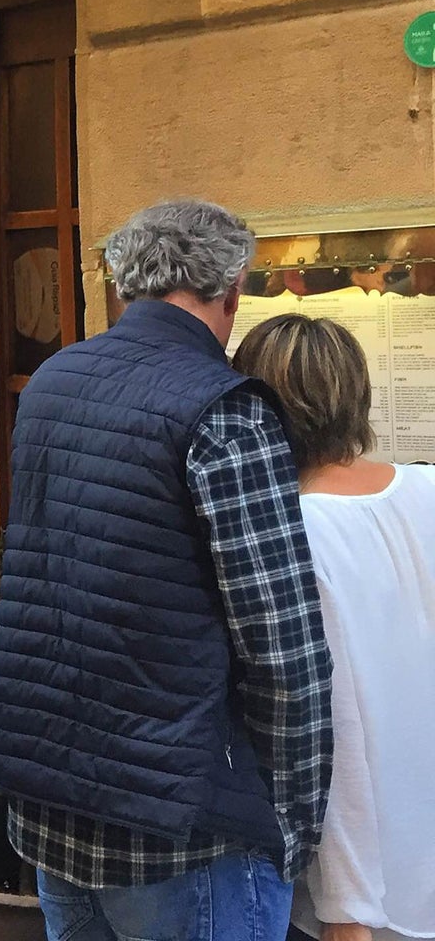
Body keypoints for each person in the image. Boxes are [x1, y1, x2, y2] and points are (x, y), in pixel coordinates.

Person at [0, 198, 334, 941]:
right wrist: (296, 820)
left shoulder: (52, 382)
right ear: (233, 289)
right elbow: (283, 647)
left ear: (122, 286)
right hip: (184, 830)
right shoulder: (226, 409)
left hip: (53, 803)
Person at [232, 313, 435, 941]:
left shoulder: (293, 535)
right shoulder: (428, 488)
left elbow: (327, 723)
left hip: (375, 888)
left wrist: (348, 913)